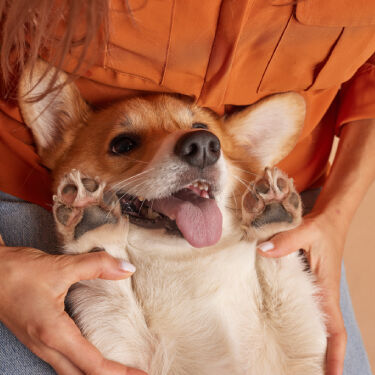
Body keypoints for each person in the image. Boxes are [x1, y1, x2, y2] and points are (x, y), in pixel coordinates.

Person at [0, 1, 374, 374]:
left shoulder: (237, 165)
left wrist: (336, 214)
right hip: (32, 190)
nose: (198, 148)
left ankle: (100, 246)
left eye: (204, 137)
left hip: (254, 204)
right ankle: (101, 247)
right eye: (126, 144)